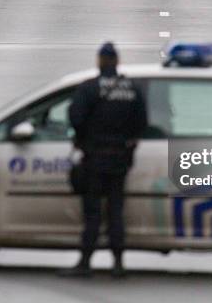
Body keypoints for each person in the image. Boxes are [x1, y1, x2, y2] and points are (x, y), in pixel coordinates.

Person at [60, 42, 147, 278]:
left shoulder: (89, 88)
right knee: (116, 211)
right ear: (117, 61)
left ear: (100, 60)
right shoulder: (132, 89)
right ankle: (118, 263)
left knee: (93, 212)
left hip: (95, 158)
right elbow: (142, 123)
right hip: (120, 159)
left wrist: (83, 137)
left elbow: (75, 117)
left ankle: (85, 261)